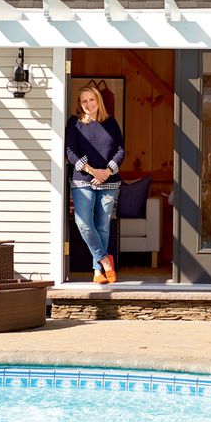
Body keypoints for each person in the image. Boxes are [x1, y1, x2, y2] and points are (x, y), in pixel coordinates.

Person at [66, 84, 124, 283]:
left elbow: (120, 150)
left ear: (98, 100)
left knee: (103, 226)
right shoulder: (75, 123)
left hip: (109, 182)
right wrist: (92, 171)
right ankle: (105, 260)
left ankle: (98, 272)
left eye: (91, 100)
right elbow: (70, 152)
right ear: (79, 104)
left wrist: (106, 172)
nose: (88, 104)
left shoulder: (111, 123)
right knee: (83, 224)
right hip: (83, 180)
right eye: (84, 101)